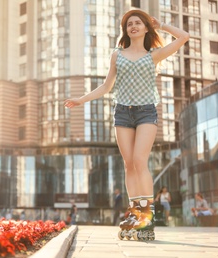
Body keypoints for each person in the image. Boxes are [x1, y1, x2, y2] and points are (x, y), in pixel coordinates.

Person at [64, 9, 189, 235]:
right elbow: (106, 87)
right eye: (129, 23)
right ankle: (134, 213)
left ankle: (146, 216)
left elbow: (183, 37)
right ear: (126, 30)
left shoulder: (154, 55)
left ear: (145, 28)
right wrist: (81, 100)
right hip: (122, 113)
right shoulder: (117, 55)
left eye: (138, 23)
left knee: (140, 160)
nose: (133, 26)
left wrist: (161, 25)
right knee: (129, 163)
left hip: (146, 113)